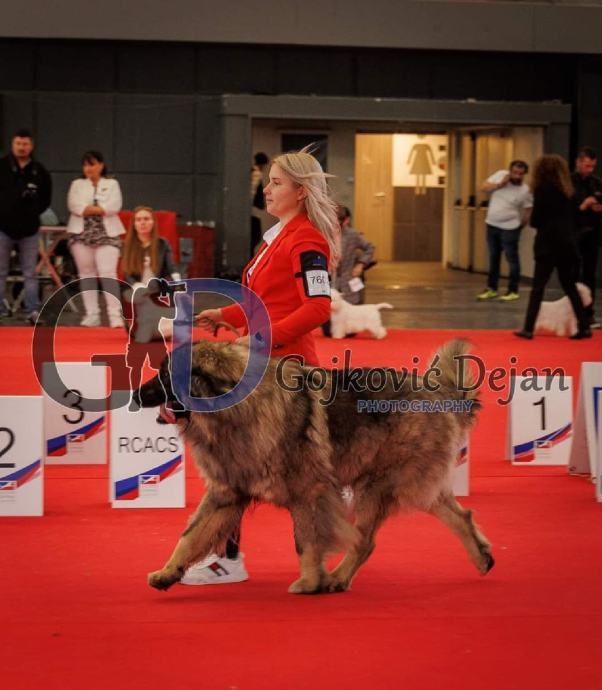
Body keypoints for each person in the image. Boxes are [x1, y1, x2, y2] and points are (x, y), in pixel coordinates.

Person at [161, 148, 339, 585]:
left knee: (237, 469)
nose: (267, 189)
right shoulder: (278, 235)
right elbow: (267, 301)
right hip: (261, 370)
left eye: (276, 182)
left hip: (284, 375)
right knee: (235, 468)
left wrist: (259, 338)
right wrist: (227, 316)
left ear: (300, 191)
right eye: (268, 181)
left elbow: (317, 308)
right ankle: (228, 556)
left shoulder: (306, 240)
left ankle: (228, 559)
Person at [514, 154, 591, 340]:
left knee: (538, 287)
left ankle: (529, 328)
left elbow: (536, 221)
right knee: (569, 286)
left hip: (547, 245)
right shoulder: (568, 191)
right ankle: (584, 326)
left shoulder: (541, 190)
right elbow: (576, 218)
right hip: (566, 245)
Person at [66, 150, 125, 327]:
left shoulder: (112, 183)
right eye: (85, 165)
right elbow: (74, 205)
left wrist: (92, 209)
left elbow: (114, 206)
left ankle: (115, 315)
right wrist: (97, 209)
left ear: (101, 165)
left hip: (107, 233)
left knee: (108, 273)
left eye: (92, 164)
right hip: (81, 233)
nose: (88, 168)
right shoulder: (77, 184)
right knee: (86, 274)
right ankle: (92, 314)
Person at [0, 128, 52, 324]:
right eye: (18, 143)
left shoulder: (39, 171)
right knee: (0, 271)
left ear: (31, 146)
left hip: (29, 229)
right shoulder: (2, 167)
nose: (21, 147)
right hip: (3, 227)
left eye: (25, 144)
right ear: (12, 144)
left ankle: (32, 310)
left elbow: (46, 200)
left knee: (30, 272)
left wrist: (32, 211)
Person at [121, 206, 181, 344]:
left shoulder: (162, 244)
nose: (143, 223)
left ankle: (162, 327)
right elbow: (127, 273)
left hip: (158, 290)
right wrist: (136, 285)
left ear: (153, 222)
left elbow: (171, 267)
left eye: (146, 219)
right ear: (134, 224)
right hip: (136, 291)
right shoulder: (127, 245)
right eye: (138, 220)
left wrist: (178, 282)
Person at [477, 160, 533, 302]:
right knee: (493, 257)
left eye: (520, 174)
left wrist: (521, 226)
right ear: (510, 171)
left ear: (524, 174)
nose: (517, 176)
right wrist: (499, 184)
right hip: (492, 224)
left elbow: (528, 209)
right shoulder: (500, 175)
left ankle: (513, 290)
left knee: (512, 259)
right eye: (514, 173)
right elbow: (483, 187)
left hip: (510, 228)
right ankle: (491, 289)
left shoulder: (525, 190)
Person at [571, 147, 602, 329]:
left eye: (592, 166)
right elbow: (565, 209)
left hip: (592, 233)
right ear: (578, 162)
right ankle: (573, 313)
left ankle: (589, 313)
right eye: (587, 165)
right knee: (572, 274)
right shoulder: (568, 182)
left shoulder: (597, 183)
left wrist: (598, 207)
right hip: (573, 233)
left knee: (589, 274)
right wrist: (584, 205)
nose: (589, 170)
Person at [250, 151, 269, 258]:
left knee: (255, 237)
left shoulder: (251, 171)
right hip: (252, 211)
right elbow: (253, 191)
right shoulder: (256, 174)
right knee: (255, 236)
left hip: (252, 211)